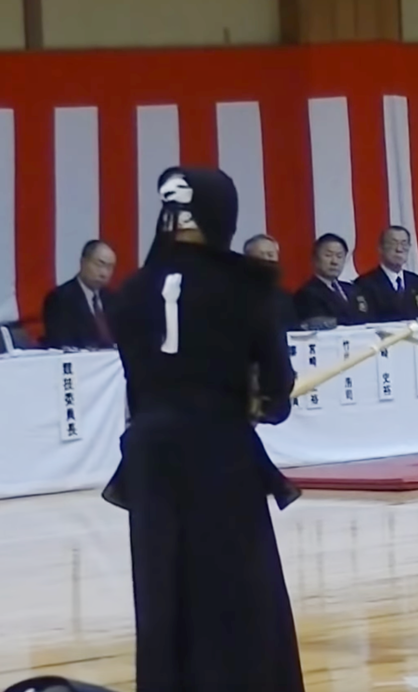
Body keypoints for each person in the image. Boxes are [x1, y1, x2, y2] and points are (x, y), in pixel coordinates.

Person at [102, 167, 305, 692]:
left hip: (150, 455)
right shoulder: (246, 284)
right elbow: (275, 390)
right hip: (219, 450)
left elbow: (142, 385)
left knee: (163, 586)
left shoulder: (130, 291)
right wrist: (266, 401)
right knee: (239, 586)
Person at [353, 225, 418, 322]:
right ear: (380, 248)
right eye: (393, 243)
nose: (399, 249)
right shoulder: (364, 284)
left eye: (404, 244)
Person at [293, 233, 368, 326]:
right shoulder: (307, 293)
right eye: (328, 255)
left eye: (339, 256)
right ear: (315, 259)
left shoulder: (353, 289)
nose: (334, 262)